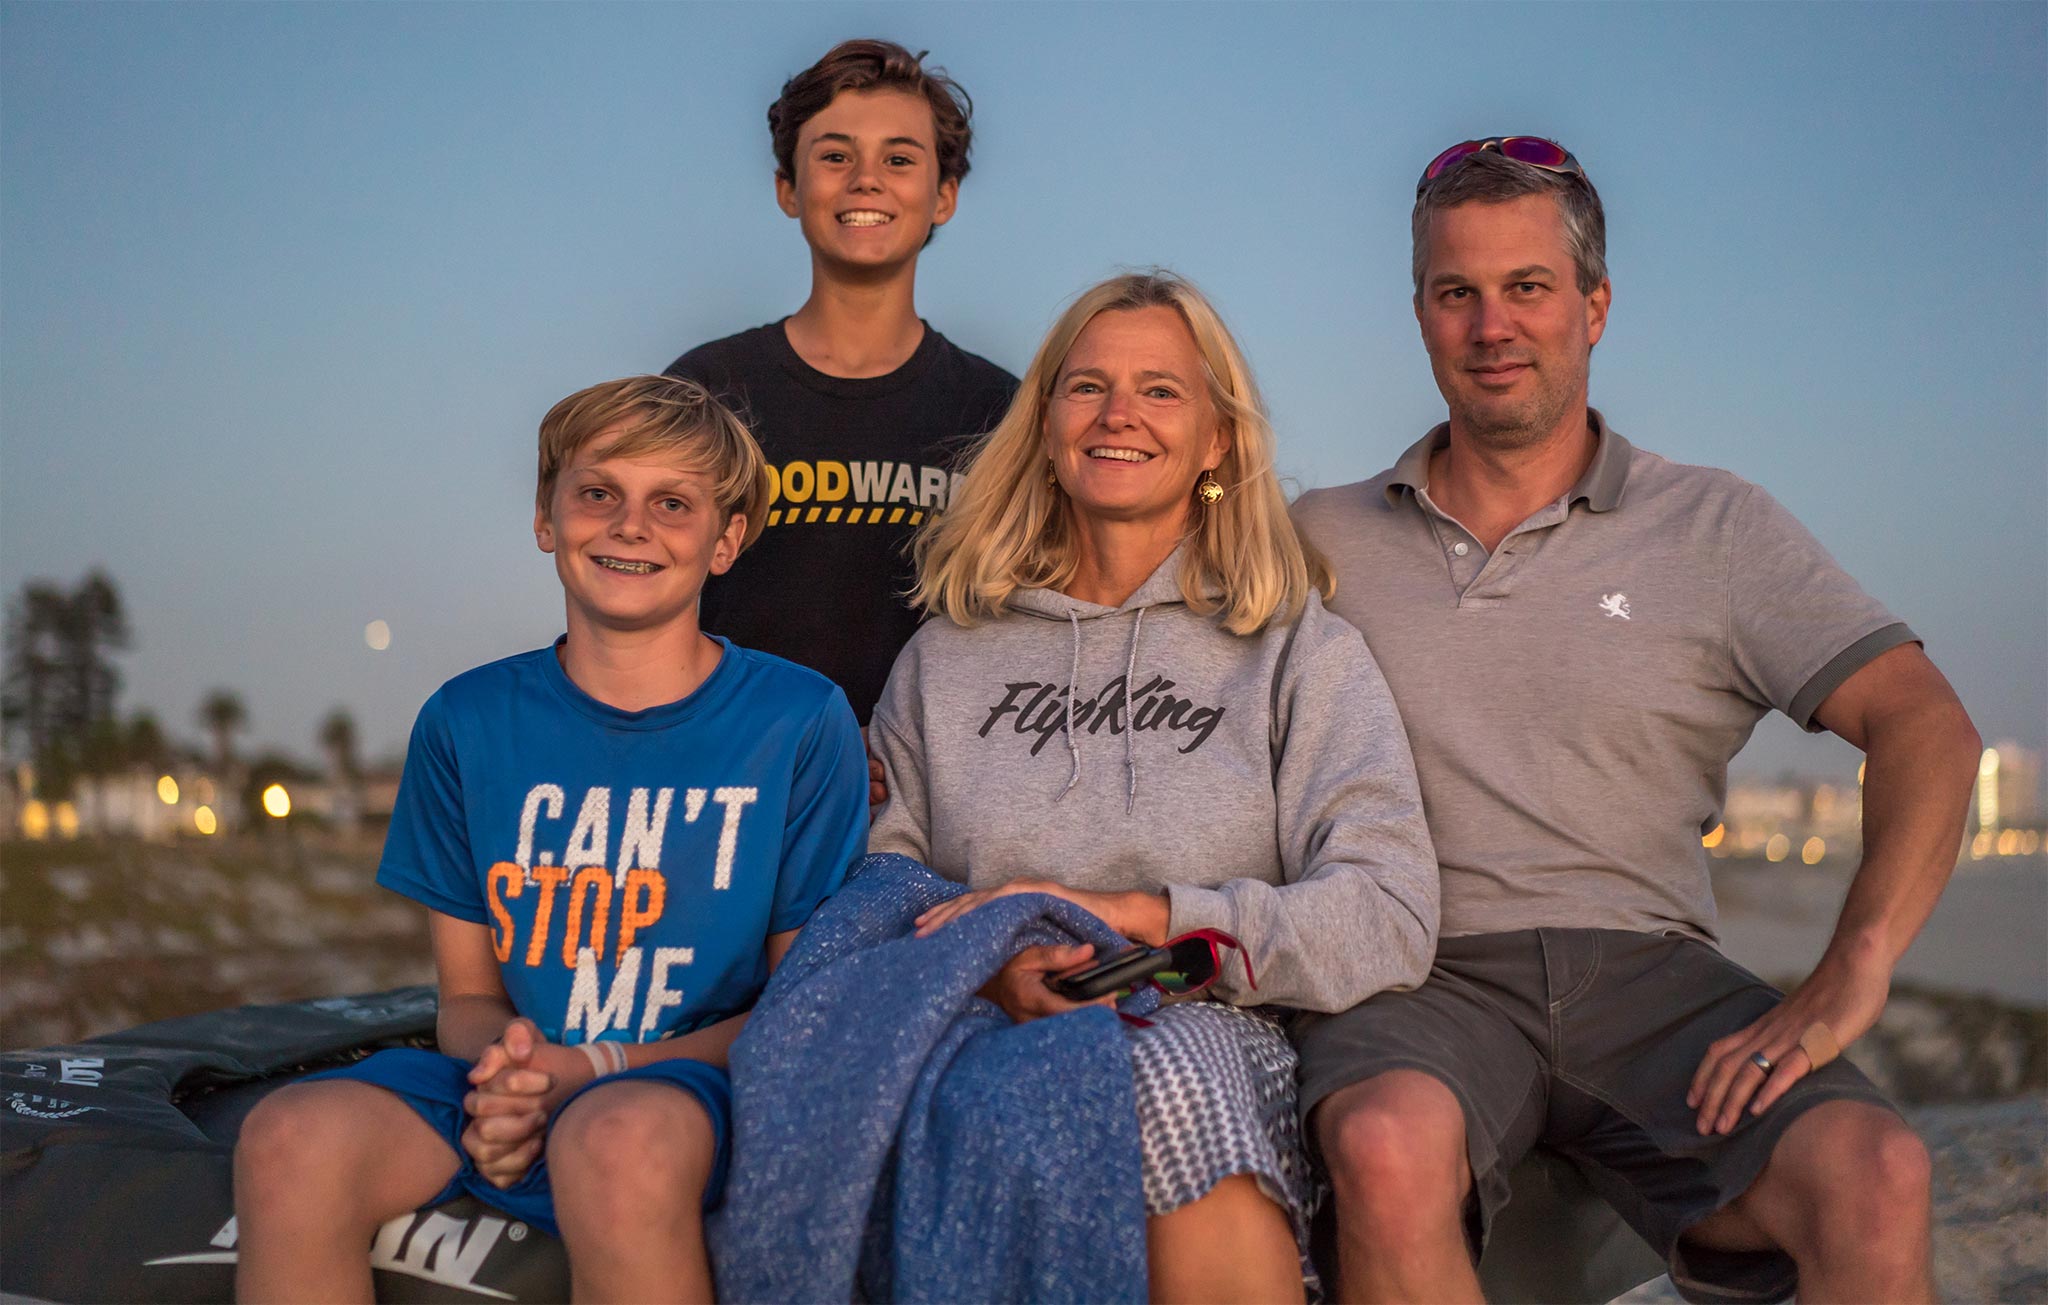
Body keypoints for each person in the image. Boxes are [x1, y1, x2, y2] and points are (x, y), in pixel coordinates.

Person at [1290, 137, 1982, 1304]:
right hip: (1414, 979)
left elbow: (1925, 726)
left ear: (1593, 306)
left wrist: (1850, 974)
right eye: (1456, 292)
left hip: (1652, 981)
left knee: (1876, 1169)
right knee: (1382, 1146)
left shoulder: (1714, 526)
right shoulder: (1317, 537)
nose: (1490, 325)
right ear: (1417, 312)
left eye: (1527, 289)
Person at [867, 271, 1439, 1303]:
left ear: (1218, 438)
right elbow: (883, 881)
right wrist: (986, 970)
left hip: (1203, 1014)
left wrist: (1142, 928)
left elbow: (1386, 912)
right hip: (984, 1021)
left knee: (1166, 1078)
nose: (1118, 414)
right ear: (1043, 426)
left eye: (1160, 391)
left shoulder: (1295, 650)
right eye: (1085, 387)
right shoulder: (945, 657)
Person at [232, 375, 868, 1303]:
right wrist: (509, 1077)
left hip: (689, 1086)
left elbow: (794, 1011)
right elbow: (467, 995)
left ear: (725, 540)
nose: (629, 524)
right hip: (523, 1074)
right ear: (546, 514)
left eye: (674, 504)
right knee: (288, 1137)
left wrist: (591, 1072)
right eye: (598, 491)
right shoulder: (465, 720)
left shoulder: (801, 720)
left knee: (608, 1142)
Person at [666, 38, 1017, 724]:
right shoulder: (704, 391)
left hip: (932, 804)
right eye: (834, 156)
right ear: (787, 189)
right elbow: (656, 608)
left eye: (898, 158)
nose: (866, 179)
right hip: (746, 783)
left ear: (943, 194)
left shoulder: (1000, 411)